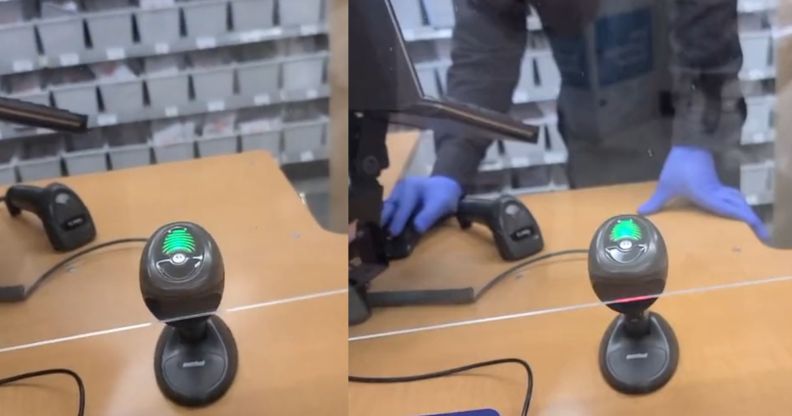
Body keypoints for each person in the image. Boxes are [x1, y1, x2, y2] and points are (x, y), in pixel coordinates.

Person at [382, 0, 770, 242]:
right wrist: (450, 166)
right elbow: (486, 43)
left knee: (707, 278)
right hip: (596, 136)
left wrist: (698, 136)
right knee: (619, 267)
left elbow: (706, 15)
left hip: (687, 127)